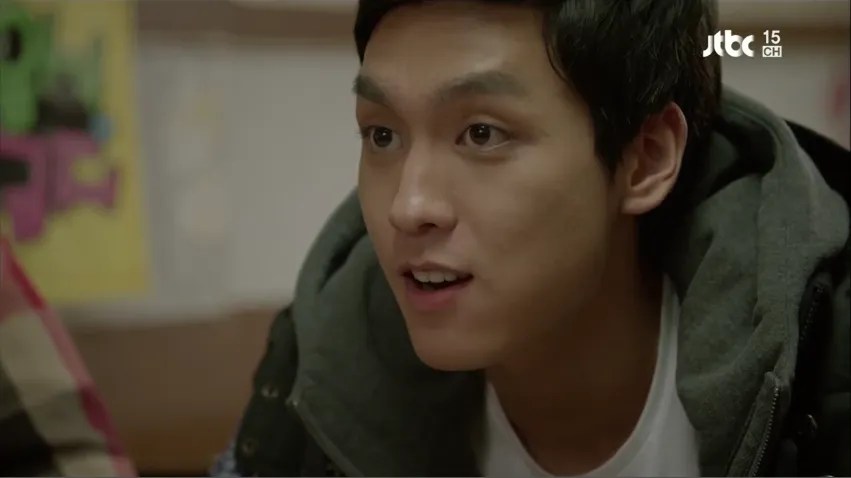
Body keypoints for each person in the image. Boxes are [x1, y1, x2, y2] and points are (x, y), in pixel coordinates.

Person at [214, 0, 850, 476]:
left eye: (481, 134)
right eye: (382, 135)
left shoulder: (825, 364)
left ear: (647, 159)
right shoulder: (319, 364)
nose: (408, 207)